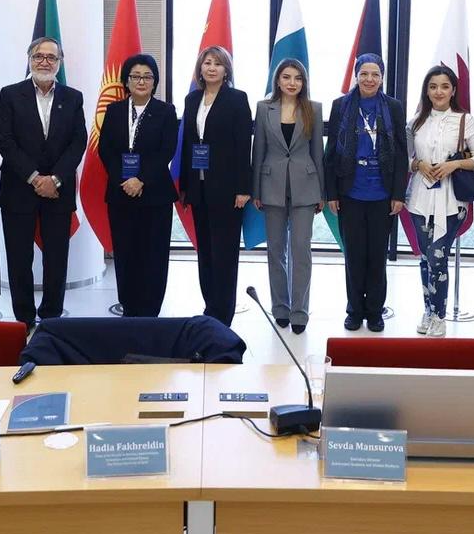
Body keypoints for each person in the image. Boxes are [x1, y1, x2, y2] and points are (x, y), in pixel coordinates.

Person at [0, 37, 87, 331]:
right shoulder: (10, 94)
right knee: (19, 258)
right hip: (19, 188)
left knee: (57, 258)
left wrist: (55, 178)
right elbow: (5, 141)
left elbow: (78, 142)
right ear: (29, 59)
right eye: (39, 56)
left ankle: (51, 318)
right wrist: (35, 178)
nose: (45, 62)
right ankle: (23, 318)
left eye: (51, 57)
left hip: (59, 190)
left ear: (59, 62)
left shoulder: (73, 97)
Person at [324, 53, 407, 332]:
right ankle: (354, 310)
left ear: (382, 78)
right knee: (354, 256)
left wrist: (398, 194)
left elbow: (401, 152)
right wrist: (331, 193)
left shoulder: (393, 107)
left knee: (377, 257)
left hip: (383, 194)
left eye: (375, 74)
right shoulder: (341, 106)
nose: (369, 79)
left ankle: (374, 311)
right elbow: (331, 152)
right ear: (356, 76)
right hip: (350, 192)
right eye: (364, 74)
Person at [404, 65, 474, 338]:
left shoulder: (465, 120)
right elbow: (403, 158)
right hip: (419, 199)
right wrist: (418, 164)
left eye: (444, 86)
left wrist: (455, 165)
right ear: (426, 91)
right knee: (425, 257)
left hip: (452, 202)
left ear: (453, 90)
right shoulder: (415, 122)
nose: (438, 92)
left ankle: (440, 314)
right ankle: (428, 310)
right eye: (433, 87)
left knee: (438, 255)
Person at [98, 54, 178, 317]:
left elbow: (166, 151)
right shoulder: (114, 111)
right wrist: (124, 180)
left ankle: (151, 311)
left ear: (154, 81)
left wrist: (141, 179)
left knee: (154, 255)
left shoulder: (166, 111)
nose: (141, 81)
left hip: (155, 195)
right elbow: (106, 150)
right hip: (121, 193)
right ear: (126, 81)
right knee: (125, 253)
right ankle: (129, 308)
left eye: (147, 76)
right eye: (135, 76)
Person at [178, 46, 252, 327]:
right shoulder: (192, 99)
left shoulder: (237, 99)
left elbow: (243, 146)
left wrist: (243, 188)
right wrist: (185, 185)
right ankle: (210, 307)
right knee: (206, 252)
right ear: (200, 67)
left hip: (228, 190)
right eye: (207, 63)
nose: (211, 68)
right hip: (198, 188)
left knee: (225, 254)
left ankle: (224, 314)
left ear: (226, 70)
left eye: (217, 64)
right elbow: (188, 144)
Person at [252, 59, 324, 335]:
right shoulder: (264, 108)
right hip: (271, 186)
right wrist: (256, 190)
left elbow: (318, 152)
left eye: (298, 78)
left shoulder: (313, 109)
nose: (292, 83)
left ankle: (299, 311)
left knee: (301, 249)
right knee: (275, 250)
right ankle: (280, 308)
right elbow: (258, 150)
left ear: (304, 82)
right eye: (286, 77)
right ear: (278, 80)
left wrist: (322, 192)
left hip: (306, 186)